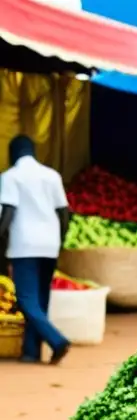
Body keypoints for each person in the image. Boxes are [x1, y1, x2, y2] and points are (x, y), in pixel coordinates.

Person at [0, 135, 70, 364]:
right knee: (40, 300)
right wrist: (60, 240)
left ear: (12, 154)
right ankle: (30, 352)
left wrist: (1, 238)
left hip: (24, 246)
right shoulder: (52, 176)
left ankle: (56, 339)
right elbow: (63, 213)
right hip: (50, 244)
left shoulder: (10, 177)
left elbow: (8, 212)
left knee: (26, 299)